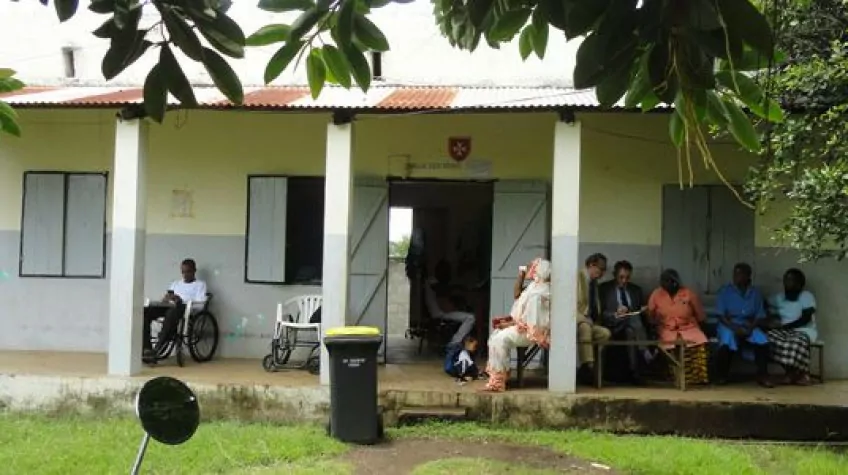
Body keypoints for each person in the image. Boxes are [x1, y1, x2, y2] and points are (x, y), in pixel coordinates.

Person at [483, 258, 552, 392]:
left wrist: (508, 324)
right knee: (495, 336)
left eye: (533, 268)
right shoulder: (535, 287)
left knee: (500, 339)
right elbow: (517, 295)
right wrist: (508, 323)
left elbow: (532, 322)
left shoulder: (539, 293)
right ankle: (501, 375)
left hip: (532, 333)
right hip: (525, 328)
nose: (530, 270)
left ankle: (498, 382)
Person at [647, 269, 709, 385]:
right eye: (663, 281)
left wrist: (704, 330)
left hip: (688, 327)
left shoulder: (688, 293)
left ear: (675, 282)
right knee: (669, 347)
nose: (665, 284)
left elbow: (700, 315)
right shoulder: (657, 294)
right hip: (666, 328)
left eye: (669, 281)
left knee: (699, 342)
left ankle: (695, 378)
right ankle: (675, 377)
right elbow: (650, 314)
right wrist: (654, 327)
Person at [714, 263, 772, 387]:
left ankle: (763, 374)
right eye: (735, 274)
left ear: (748, 276)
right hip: (729, 324)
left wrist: (750, 328)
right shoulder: (725, 291)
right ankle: (722, 375)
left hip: (748, 324)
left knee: (762, 340)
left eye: (740, 274)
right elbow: (720, 315)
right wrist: (734, 328)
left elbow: (760, 315)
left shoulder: (755, 293)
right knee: (727, 339)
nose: (736, 277)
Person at [142, 258, 207, 364]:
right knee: (146, 312)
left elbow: (201, 305)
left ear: (194, 270)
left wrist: (180, 300)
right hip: (169, 306)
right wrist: (166, 298)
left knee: (172, 313)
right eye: (183, 272)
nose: (185, 275)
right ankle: (147, 348)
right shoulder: (176, 284)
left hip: (185, 308)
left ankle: (157, 349)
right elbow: (167, 297)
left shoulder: (200, 285)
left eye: (188, 272)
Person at [599, 260, 648, 384]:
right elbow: (600, 313)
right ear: (614, 275)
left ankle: (633, 371)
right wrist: (615, 313)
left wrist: (644, 310)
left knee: (631, 329)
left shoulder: (636, 290)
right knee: (633, 320)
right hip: (613, 323)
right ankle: (645, 351)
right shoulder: (604, 289)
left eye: (627, 277)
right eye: (621, 277)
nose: (624, 280)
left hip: (630, 325)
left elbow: (640, 310)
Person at [765, 268, 817, 386]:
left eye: (791, 280)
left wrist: (785, 327)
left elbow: (805, 318)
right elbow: (763, 304)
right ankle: (793, 374)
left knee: (796, 342)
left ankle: (800, 373)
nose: (787, 283)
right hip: (784, 331)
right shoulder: (778, 298)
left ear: (800, 283)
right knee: (768, 338)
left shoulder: (806, 296)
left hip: (804, 330)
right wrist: (770, 319)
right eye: (786, 280)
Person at [576, 253, 612, 385]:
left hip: (589, 321)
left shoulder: (594, 283)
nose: (602, 273)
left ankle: (586, 370)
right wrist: (584, 319)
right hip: (575, 319)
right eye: (601, 269)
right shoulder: (577, 277)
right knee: (585, 328)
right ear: (591, 265)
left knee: (605, 333)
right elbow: (571, 305)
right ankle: (589, 367)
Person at [423, 260, 476, 346]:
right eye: (445, 271)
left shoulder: (436, 282)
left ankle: (457, 342)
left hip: (442, 311)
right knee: (470, 318)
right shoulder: (432, 281)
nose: (447, 274)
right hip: (439, 313)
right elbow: (442, 293)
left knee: (466, 313)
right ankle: (454, 343)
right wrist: (456, 287)